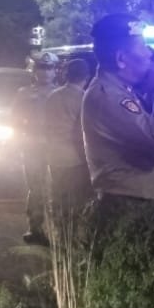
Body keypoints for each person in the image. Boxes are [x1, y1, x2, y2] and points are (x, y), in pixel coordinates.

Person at [82, 13, 154, 204]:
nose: (149, 54)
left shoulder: (124, 89)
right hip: (134, 207)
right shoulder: (109, 97)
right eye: (143, 47)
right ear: (121, 59)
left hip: (144, 203)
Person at [12, 52, 59, 246]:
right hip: (31, 146)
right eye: (41, 68)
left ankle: (56, 229)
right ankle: (36, 228)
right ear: (34, 71)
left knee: (55, 189)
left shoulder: (61, 93)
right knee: (36, 188)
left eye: (49, 68)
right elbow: (14, 119)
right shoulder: (23, 93)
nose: (45, 72)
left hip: (55, 147)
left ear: (55, 71)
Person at [44, 58, 93, 213]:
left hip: (55, 157)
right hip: (76, 159)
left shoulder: (52, 96)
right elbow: (86, 131)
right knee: (77, 203)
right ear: (86, 77)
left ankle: (58, 227)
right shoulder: (85, 99)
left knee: (59, 200)